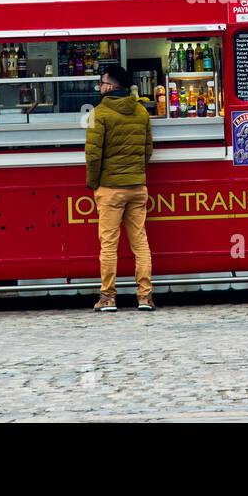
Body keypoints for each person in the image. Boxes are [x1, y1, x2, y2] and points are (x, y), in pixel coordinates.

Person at [85, 63, 154, 312]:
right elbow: (148, 150)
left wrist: (94, 183)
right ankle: (145, 296)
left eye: (102, 82)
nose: (99, 87)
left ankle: (108, 297)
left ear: (112, 86)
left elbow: (92, 156)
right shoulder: (141, 112)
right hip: (137, 187)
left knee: (109, 244)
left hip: (110, 188)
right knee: (140, 243)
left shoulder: (98, 114)